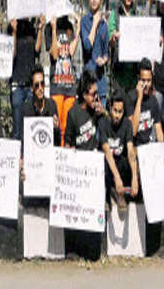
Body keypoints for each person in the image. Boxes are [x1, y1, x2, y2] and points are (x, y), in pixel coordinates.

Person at [63, 70, 104, 261]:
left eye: (97, 93)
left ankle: (92, 251)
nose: (96, 97)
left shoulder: (97, 112)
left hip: (94, 170)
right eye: (93, 93)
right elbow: (68, 142)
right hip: (80, 172)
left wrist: (102, 114)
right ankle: (74, 250)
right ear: (84, 95)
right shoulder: (73, 114)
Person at [99, 89, 138, 212]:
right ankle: (106, 197)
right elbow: (107, 152)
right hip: (108, 165)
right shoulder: (103, 123)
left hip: (120, 162)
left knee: (132, 163)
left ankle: (122, 194)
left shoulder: (126, 124)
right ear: (110, 108)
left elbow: (131, 151)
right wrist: (117, 177)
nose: (117, 115)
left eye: (120, 112)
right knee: (104, 164)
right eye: (115, 111)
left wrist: (135, 177)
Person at [8, 16, 43, 140]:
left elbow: (37, 50)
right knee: (17, 127)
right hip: (17, 83)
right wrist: (14, 32)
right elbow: (11, 53)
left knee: (30, 126)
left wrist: (39, 29)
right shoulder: (12, 25)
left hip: (30, 85)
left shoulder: (31, 27)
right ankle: (18, 157)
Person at [46, 15, 79, 143]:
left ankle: (65, 153)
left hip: (69, 85)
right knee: (57, 125)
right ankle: (57, 153)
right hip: (57, 85)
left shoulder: (69, 27)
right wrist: (54, 28)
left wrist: (79, 28)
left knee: (67, 126)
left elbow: (71, 51)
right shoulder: (49, 28)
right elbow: (54, 54)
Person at [109, 0, 138, 92]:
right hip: (119, 74)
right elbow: (110, 41)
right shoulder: (114, 14)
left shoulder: (137, 14)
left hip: (134, 74)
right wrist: (114, 38)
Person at [81, 0, 109, 105]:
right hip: (88, 83)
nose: (93, 0)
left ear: (101, 0)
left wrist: (104, 59)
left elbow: (106, 52)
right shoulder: (84, 21)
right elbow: (87, 46)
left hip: (101, 83)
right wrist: (95, 23)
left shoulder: (104, 25)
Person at [125, 58, 164, 146]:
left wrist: (162, 151)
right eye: (143, 80)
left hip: (148, 146)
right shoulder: (130, 98)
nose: (146, 84)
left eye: (149, 80)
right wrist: (139, 99)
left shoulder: (153, 100)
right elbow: (133, 132)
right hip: (135, 146)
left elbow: (158, 131)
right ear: (138, 78)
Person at [21, 65, 59, 145]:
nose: (40, 88)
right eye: (36, 85)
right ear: (31, 88)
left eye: (42, 84)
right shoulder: (26, 108)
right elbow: (23, 138)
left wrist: (56, 128)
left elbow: (57, 140)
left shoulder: (52, 105)